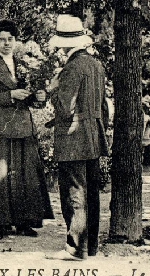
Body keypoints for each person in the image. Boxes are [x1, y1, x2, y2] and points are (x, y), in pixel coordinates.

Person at [0, 18, 54, 240]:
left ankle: (24, 222)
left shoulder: (25, 64)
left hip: (22, 125)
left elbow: (34, 97)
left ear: (16, 41)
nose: (6, 43)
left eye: (10, 39)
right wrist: (10, 95)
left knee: (24, 175)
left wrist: (39, 98)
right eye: (2, 40)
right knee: (0, 175)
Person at [44, 15, 110, 261]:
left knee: (74, 193)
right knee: (91, 193)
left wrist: (53, 90)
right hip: (93, 134)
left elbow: (65, 107)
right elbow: (104, 106)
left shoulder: (71, 68)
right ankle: (91, 247)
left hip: (73, 137)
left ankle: (75, 248)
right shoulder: (95, 64)